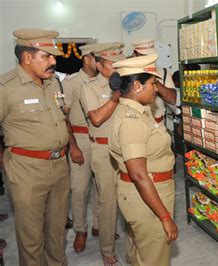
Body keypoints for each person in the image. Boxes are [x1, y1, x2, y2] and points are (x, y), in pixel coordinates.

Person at [0, 28, 75, 265]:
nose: (54, 61)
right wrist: (6, 165)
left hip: (60, 167)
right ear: (27, 57)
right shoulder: (6, 87)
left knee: (57, 232)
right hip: (26, 170)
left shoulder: (54, 83)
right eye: (47, 56)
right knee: (31, 237)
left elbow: (62, 119)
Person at [108, 54, 178, 266]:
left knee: (144, 255)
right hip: (148, 196)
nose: (156, 89)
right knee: (155, 259)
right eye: (152, 83)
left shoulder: (140, 112)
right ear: (137, 86)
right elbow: (138, 174)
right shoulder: (132, 120)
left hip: (151, 192)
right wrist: (164, 217)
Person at [80, 42, 125, 265]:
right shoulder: (90, 87)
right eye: (112, 63)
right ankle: (107, 250)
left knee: (132, 197)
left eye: (120, 62)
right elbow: (96, 118)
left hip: (127, 149)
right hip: (104, 150)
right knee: (108, 203)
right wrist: (116, 95)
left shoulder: (127, 82)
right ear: (98, 65)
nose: (118, 67)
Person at [62, 43, 101, 252]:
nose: (102, 62)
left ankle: (98, 225)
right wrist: (73, 146)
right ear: (87, 59)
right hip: (81, 140)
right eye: (98, 58)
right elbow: (63, 116)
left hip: (102, 140)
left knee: (102, 187)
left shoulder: (105, 80)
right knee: (79, 189)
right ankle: (80, 230)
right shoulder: (72, 82)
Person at [130, 39, 177, 127]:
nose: (148, 60)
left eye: (150, 56)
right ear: (135, 55)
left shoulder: (163, 72)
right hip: (135, 125)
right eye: (144, 56)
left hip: (157, 124)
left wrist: (152, 77)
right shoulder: (128, 74)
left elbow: (172, 99)